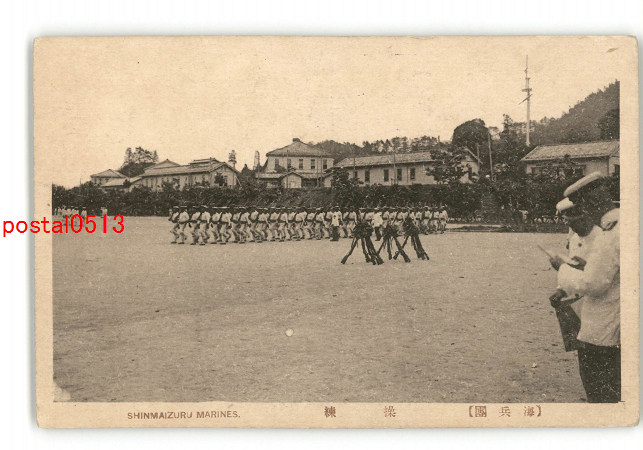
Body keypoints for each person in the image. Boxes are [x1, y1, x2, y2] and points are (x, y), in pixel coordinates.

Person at [549, 172, 620, 403]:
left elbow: (593, 283)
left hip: (602, 331)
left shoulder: (609, 234)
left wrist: (562, 268)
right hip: (618, 326)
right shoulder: (626, 225)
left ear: (592, 202)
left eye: (583, 206)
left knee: (600, 392)